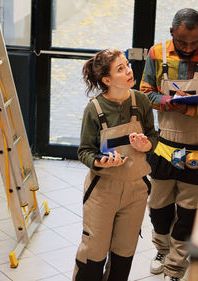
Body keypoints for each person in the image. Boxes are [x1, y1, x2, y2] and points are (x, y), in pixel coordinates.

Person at [139, 8, 198, 281]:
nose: (188, 47)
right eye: (182, 42)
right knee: (158, 207)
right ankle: (162, 249)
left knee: (188, 212)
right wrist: (165, 102)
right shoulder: (156, 53)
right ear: (172, 33)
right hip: (166, 143)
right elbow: (145, 93)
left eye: (194, 42)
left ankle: (175, 266)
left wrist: (191, 109)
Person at [73, 49, 157, 281]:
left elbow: (153, 136)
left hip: (136, 190)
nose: (129, 70)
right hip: (102, 191)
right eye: (121, 69)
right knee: (94, 253)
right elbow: (84, 151)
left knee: (124, 252)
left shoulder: (140, 101)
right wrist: (100, 161)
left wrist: (146, 146)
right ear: (107, 80)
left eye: (127, 64)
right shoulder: (95, 109)